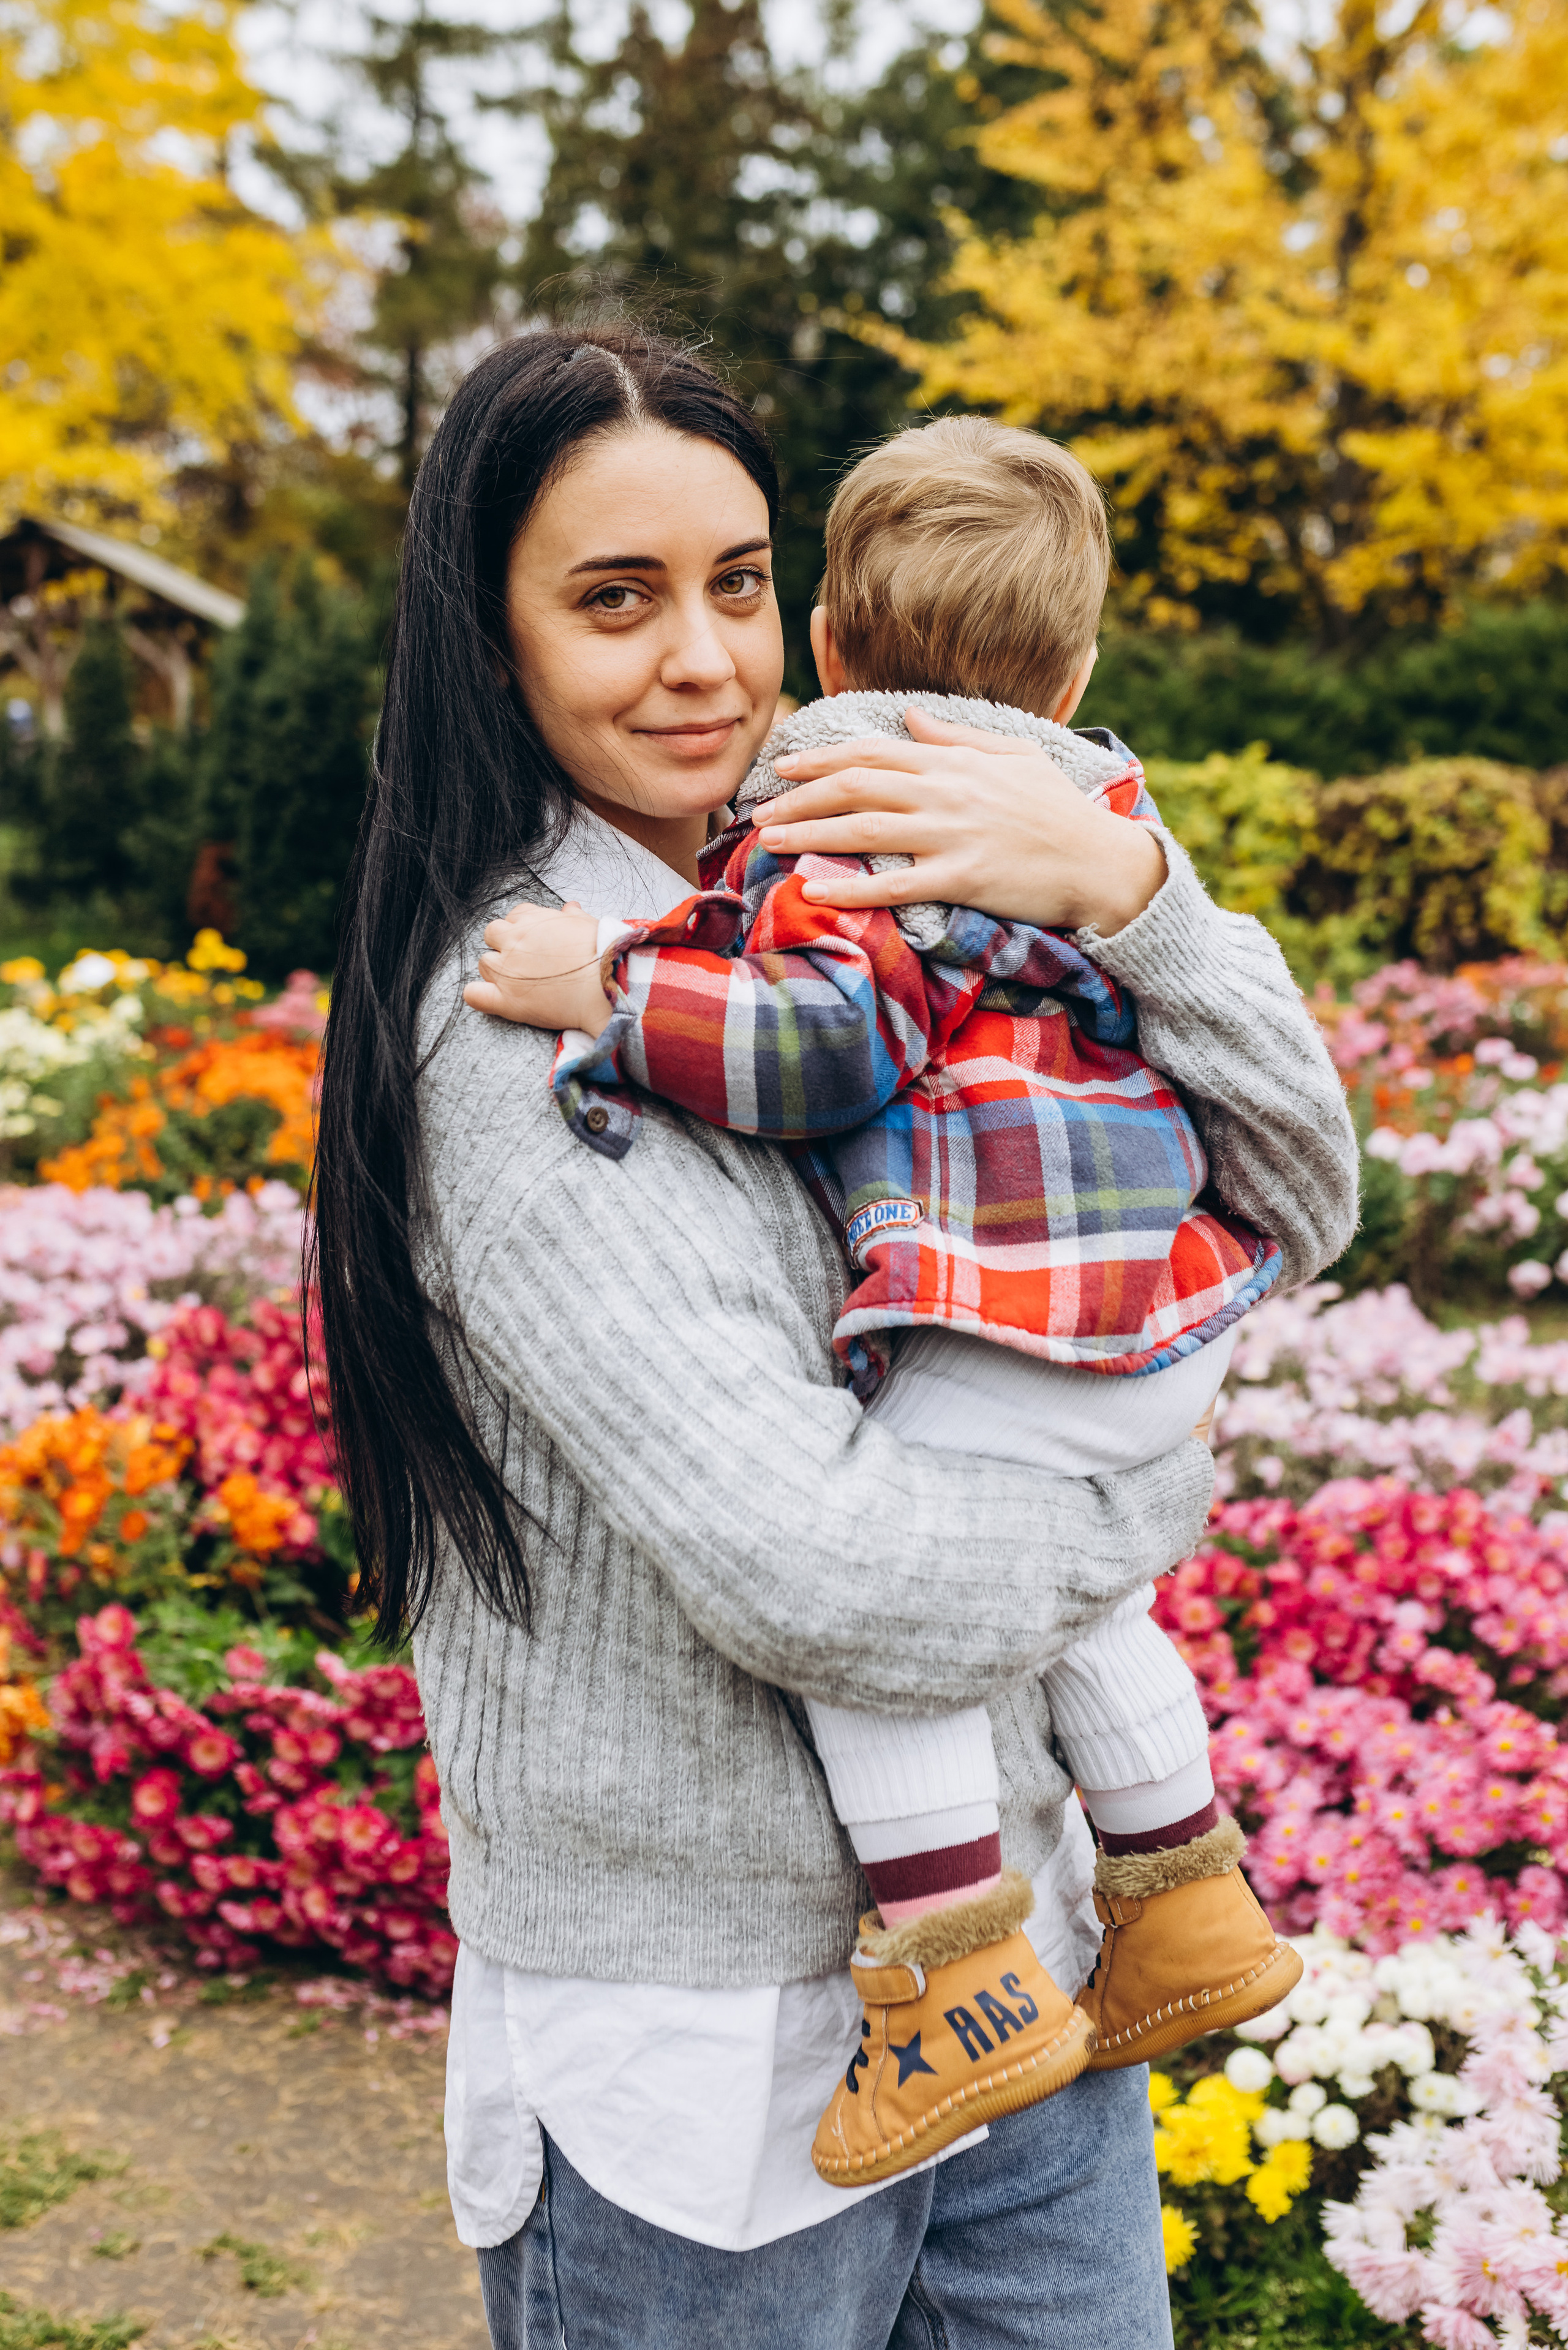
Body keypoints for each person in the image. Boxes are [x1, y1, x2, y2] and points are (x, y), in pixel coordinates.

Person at [312, 325, 1359, 2348]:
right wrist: (1147, 1477)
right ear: (492, 639)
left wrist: (1132, 894)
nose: (704, 659)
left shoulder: (893, 882)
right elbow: (830, 1576)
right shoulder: (527, 1025)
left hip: (1028, 1988)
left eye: (732, 582)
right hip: (714, 2068)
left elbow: (1304, 1193)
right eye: (615, 600)